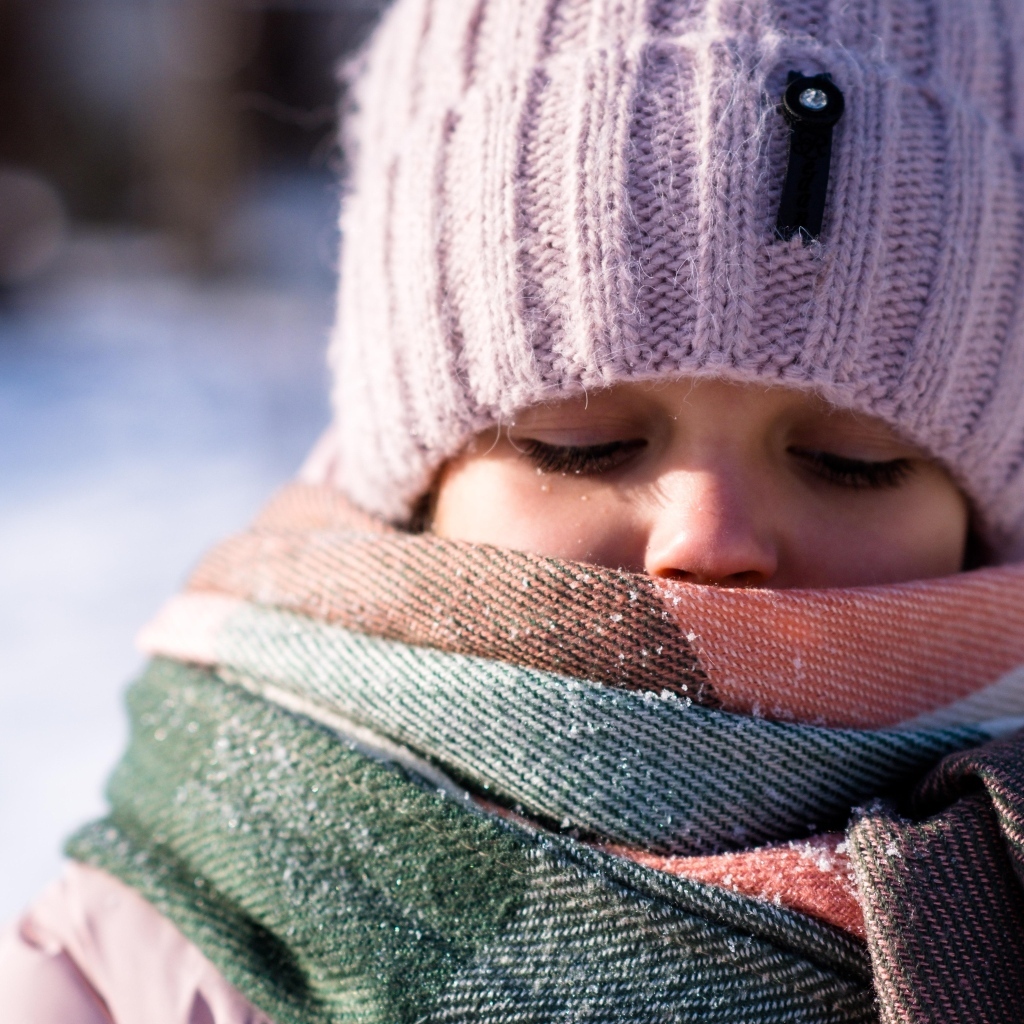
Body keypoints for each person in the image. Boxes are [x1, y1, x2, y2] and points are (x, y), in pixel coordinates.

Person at [6, 0, 1024, 1020]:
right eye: (581, 445)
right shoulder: (126, 972)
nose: (708, 538)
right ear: (414, 487)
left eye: (854, 461)